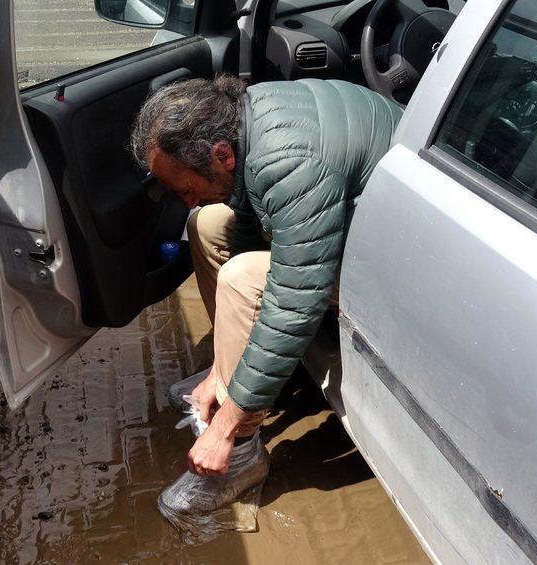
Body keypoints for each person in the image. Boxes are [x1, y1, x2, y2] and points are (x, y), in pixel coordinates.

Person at [130, 75, 402, 523]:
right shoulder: (247, 119)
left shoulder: (289, 160)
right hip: (350, 222)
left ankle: (241, 456)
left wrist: (225, 425)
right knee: (206, 224)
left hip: (396, 266)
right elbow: (249, 219)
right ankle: (239, 373)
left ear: (221, 154)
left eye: (184, 188)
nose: (186, 199)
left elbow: (294, 300)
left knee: (243, 278)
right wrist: (223, 371)